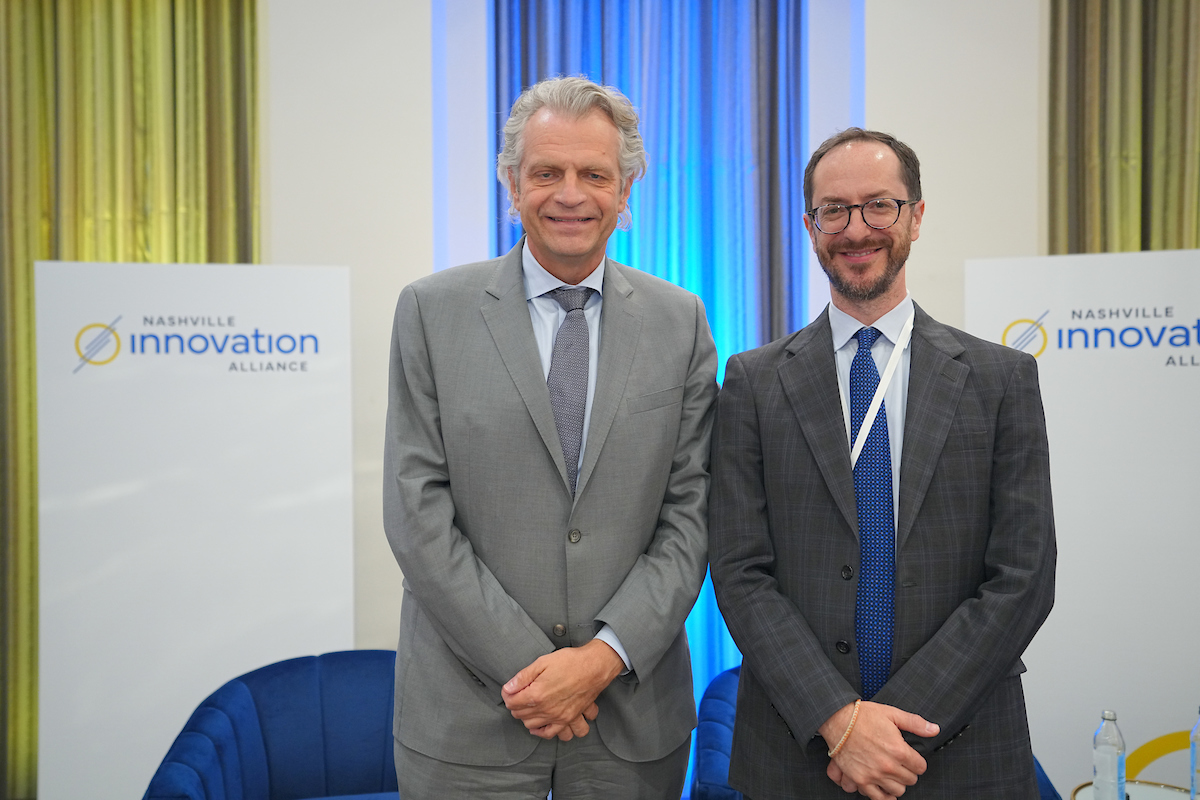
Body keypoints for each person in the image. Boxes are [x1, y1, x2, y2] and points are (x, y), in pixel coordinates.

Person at [382, 76, 718, 799]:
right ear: (512, 184)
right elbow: (416, 514)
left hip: (630, 719)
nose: (571, 193)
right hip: (468, 723)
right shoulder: (430, 312)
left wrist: (599, 660)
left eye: (595, 174)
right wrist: (541, 673)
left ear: (626, 188)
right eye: (546, 173)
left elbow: (692, 514)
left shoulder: (681, 320)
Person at [709, 128, 1056, 800]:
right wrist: (838, 722)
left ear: (916, 216)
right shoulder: (752, 382)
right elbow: (739, 570)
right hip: (798, 753)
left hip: (961, 751)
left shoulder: (999, 379)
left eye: (879, 205)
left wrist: (888, 731)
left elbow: (1024, 576)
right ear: (811, 227)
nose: (856, 228)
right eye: (833, 210)